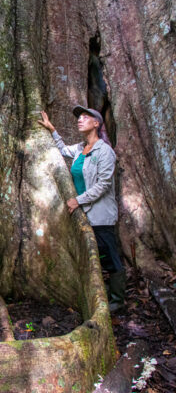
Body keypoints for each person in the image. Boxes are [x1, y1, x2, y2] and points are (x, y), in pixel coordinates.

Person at [38, 106, 125, 311]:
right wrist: (52, 129)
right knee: (90, 255)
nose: (80, 120)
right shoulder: (80, 148)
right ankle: (96, 294)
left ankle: (118, 300)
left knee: (109, 256)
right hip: (84, 214)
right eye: (79, 117)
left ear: (97, 124)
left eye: (85, 117)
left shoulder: (104, 152)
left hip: (101, 215)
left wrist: (78, 200)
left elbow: (103, 185)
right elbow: (62, 150)